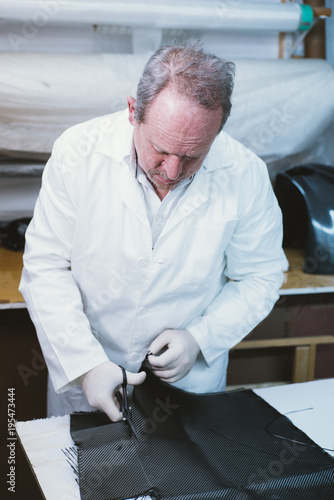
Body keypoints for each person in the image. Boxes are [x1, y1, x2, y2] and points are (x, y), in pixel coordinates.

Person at [19, 41, 287, 421]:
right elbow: (46, 267)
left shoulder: (245, 174)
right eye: (160, 149)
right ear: (133, 111)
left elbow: (260, 276)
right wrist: (85, 364)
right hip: (89, 379)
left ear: (219, 128)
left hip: (189, 386)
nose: (172, 171)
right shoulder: (77, 153)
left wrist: (201, 338)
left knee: (188, 479)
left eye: (193, 155)